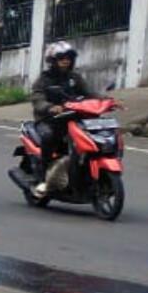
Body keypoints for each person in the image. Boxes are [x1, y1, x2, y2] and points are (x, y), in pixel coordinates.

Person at [28, 41, 97, 196]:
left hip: (73, 118)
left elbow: (90, 93)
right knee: (49, 136)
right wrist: (49, 107)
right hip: (49, 120)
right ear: (53, 61)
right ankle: (42, 177)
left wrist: (108, 101)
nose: (66, 61)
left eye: (69, 58)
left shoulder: (75, 78)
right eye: (61, 58)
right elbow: (37, 98)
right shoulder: (44, 79)